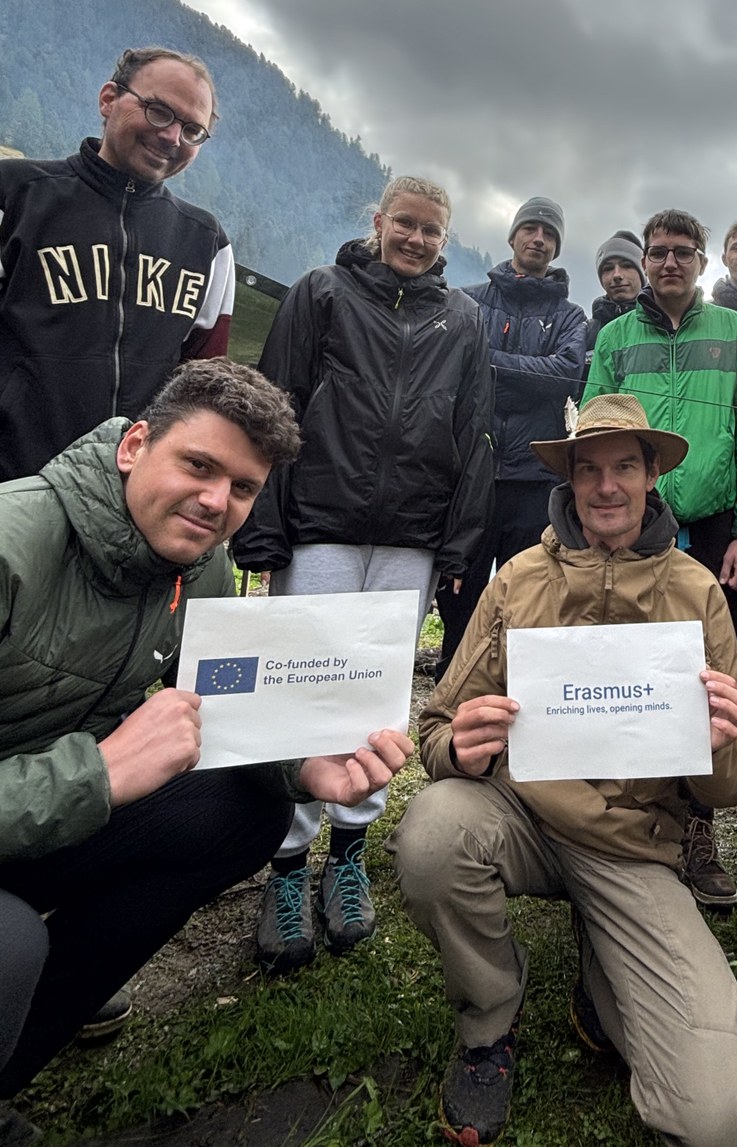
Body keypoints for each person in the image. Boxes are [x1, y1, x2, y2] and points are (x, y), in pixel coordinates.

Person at [0, 359, 412, 1104]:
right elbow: (100, 771)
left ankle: (13, 1063)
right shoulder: (10, 541)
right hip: (38, 804)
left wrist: (304, 768)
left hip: (42, 816)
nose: (216, 501)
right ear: (133, 446)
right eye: (198, 464)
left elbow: (226, 705)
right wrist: (98, 772)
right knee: (9, 943)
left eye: (244, 487)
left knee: (244, 814)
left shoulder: (201, 563)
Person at [387, 394, 737, 1147]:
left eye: (626, 466)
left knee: (716, 1119)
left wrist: (722, 739)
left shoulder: (696, 591)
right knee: (431, 837)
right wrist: (459, 748)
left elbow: (736, 779)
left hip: (635, 847)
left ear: (652, 474)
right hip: (520, 818)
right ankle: (490, 1021)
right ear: (568, 480)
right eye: (588, 469)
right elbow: (435, 728)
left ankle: (604, 970)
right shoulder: (517, 580)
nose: (606, 487)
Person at [231, 176, 493, 973]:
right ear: (378, 223)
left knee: (375, 696)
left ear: (446, 239)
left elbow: (474, 430)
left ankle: (347, 852)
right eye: (404, 224)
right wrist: (264, 527)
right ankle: (284, 864)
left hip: (413, 534)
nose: (416, 239)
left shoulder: (465, 318)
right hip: (322, 522)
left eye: (431, 230)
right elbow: (275, 406)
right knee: (302, 686)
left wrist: (460, 547)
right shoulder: (323, 291)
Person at [584, 208, 737, 909]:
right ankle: (630, 819)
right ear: (644, 259)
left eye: (682, 252)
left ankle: (698, 831)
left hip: (716, 527)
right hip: (633, 528)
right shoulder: (613, 335)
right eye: (658, 251)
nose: (669, 263)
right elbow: (594, 435)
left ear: (702, 262)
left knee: (705, 682)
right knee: (630, 670)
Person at [0, 46, 235, 482]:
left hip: (131, 502)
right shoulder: (15, 195)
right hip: (13, 488)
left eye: (192, 130)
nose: (172, 137)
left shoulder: (208, 243)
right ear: (109, 99)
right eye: (159, 112)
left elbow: (200, 390)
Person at [434, 196, 587, 679]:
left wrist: (492, 362)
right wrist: (523, 372)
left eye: (549, 233)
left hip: (533, 475)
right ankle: (454, 677)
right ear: (513, 236)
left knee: (529, 587)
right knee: (458, 584)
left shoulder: (570, 314)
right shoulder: (468, 299)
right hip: (470, 469)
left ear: (557, 247)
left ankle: (517, 684)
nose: (538, 238)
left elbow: (564, 375)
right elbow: (453, 364)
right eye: (531, 229)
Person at [584, 229, 645, 377]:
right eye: (608, 268)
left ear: (644, 271)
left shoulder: (664, 326)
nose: (617, 275)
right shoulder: (587, 332)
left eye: (627, 265)